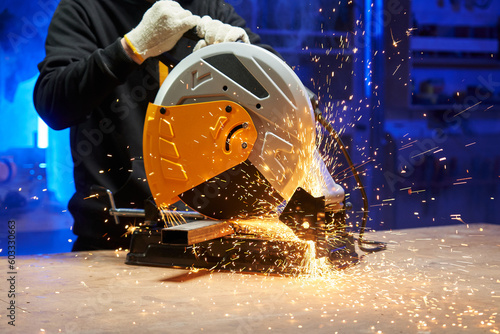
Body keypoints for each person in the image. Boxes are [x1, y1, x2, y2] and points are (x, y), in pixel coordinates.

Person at [34, 0, 276, 251]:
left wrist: (245, 59)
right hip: (113, 239)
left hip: (210, 233)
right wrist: (129, 48)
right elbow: (53, 104)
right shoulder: (85, 9)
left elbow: (285, 97)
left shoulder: (211, 9)